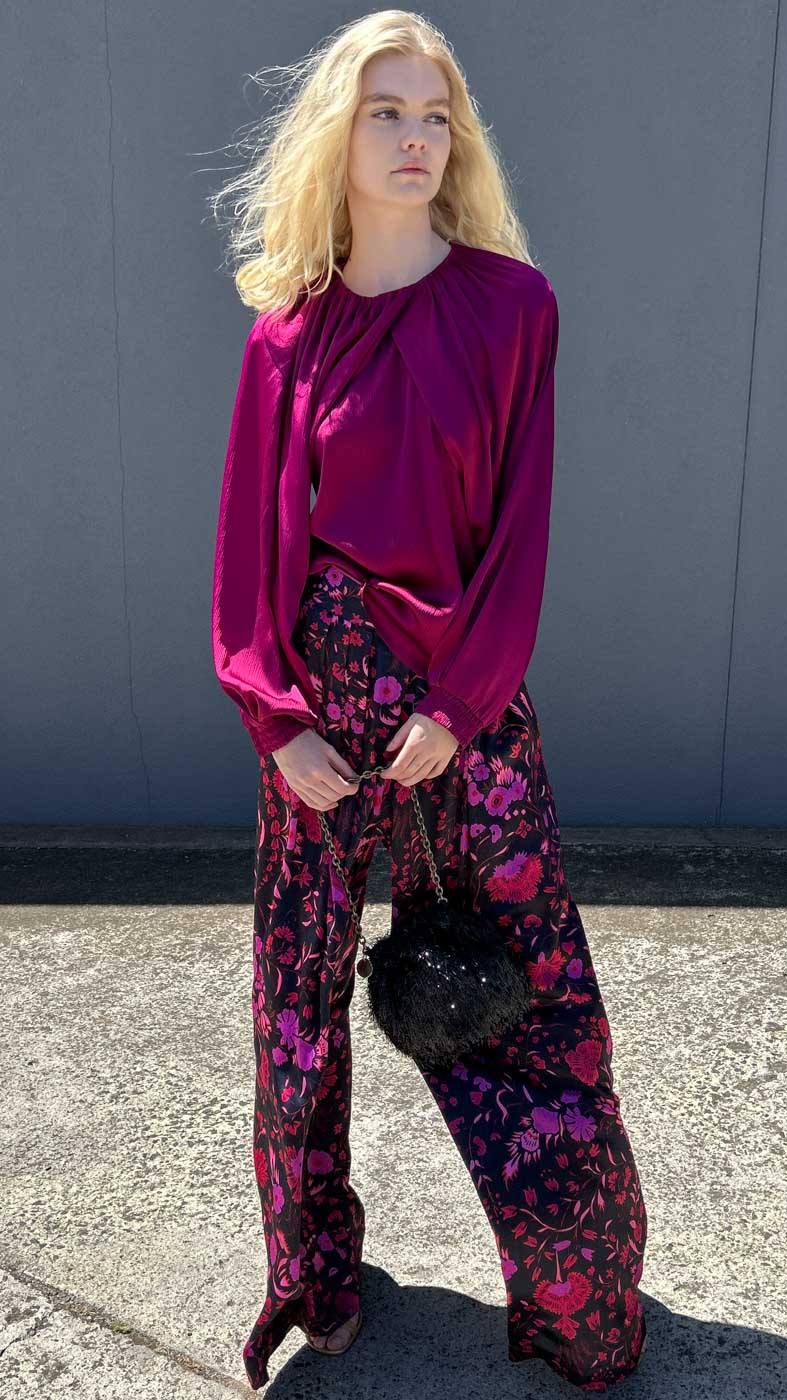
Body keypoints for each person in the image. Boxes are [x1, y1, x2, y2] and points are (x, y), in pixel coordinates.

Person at [209, 10, 648, 1392]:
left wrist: (459, 706)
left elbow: (520, 534)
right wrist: (277, 721)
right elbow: (250, 557)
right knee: (297, 1005)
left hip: (466, 707)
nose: (415, 138)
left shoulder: (514, 309)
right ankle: (315, 1277)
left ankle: (580, 1298)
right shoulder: (288, 339)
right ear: (336, 137)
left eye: (436, 115)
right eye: (385, 111)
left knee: (534, 996)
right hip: (322, 716)